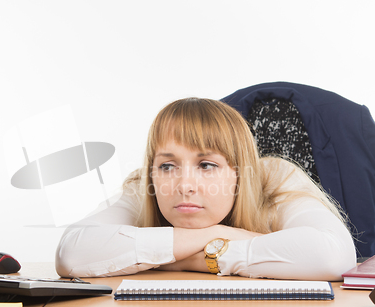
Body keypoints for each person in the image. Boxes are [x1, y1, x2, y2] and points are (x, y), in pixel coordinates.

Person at [55, 98, 356, 281]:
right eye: (168, 166)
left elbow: (333, 256)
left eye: (207, 165)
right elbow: (72, 252)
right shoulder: (143, 186)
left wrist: (179, 259)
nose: (184, 185)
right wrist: (213, 237)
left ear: (240, 174)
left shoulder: (275, 180)